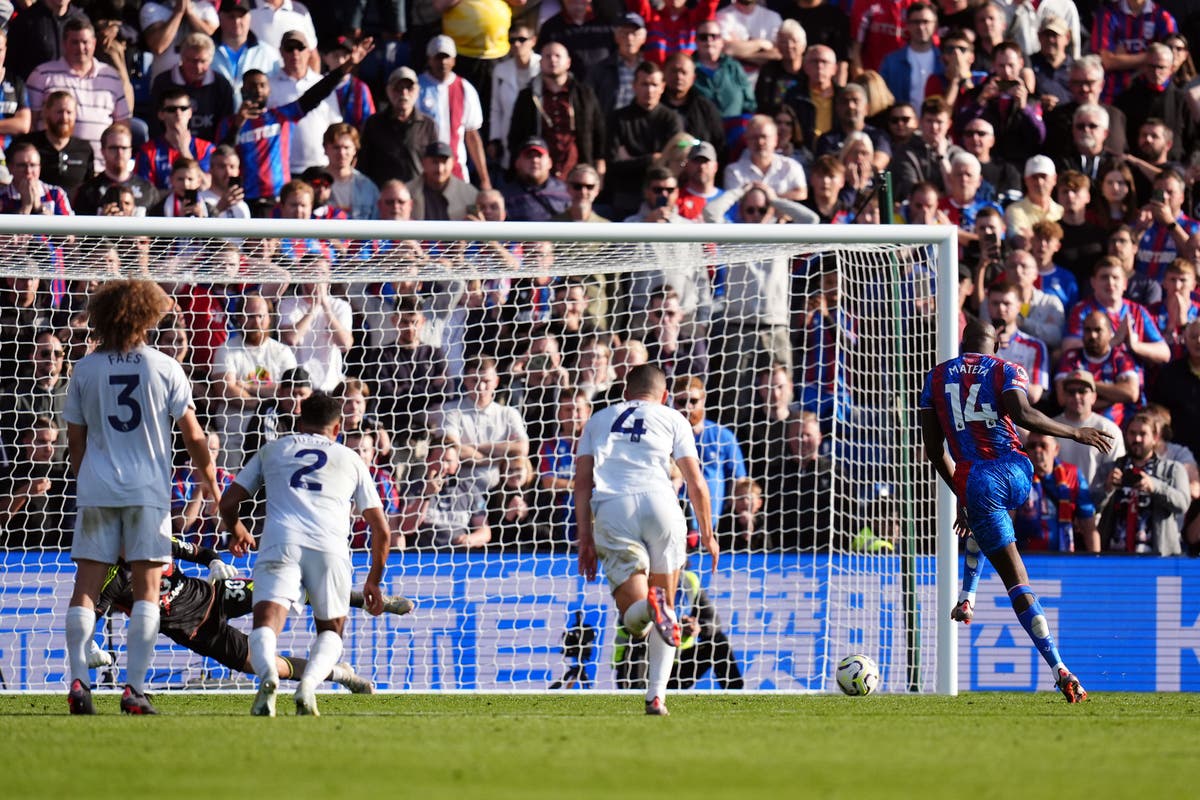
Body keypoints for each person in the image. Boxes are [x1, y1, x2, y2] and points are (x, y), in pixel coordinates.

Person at [920, 319, 1113, 703]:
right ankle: (968, 598)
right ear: (996, 345)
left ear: (963, 344)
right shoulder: (1005, 368)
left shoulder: (936, 378)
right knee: (989, 520)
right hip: (1017, 470)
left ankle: (1059, 668)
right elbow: (1022, 414)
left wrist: (962, 490)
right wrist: (1075, 432)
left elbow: (933, 448)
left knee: (1015, 579)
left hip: (976, 479)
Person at [63, 279, 220, 716]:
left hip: (98, 486)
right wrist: (209, 483)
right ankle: (133, 690)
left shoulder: (85, 368)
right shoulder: (165, 366)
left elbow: (75, 440)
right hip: (147, 491)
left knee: (86, 590)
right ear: (147, 317)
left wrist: (88, 479)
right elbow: (194, 435)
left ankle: (79, 682)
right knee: (148, 592)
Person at [222, 391, 391, 717]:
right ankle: (308, 686)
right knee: (330, 632)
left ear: (299, 421)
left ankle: (268, 677)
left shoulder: (272, 449)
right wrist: (373, 581)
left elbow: (228, 503)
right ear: (338, 427)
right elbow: (381, 530)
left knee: (266, 626)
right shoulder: (351, 458)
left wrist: (236, 529)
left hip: (280, 543)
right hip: (330, 550)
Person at [575, 363, 718, 716]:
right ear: (665, 395)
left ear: (626, 392)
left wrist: (585, 540)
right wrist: (710, 536)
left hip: (614, 507)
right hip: (663, 506)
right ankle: (656, 697)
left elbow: (581, 484)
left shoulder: (597, 419)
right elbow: (696, 483)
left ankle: (651, 606)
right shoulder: (674, 418)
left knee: (634, 618)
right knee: (666, 610)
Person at [88, 538, 413, 693]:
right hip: (197, 633)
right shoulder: (114, 577)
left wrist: (214, 563)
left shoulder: (156, 539)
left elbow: (201, 552)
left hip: (215, 594)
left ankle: (369, 601)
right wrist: (90, 646)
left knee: (282, 590)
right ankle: (341, 675)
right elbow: (94, 613)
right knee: (267, 665)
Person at [1094, 410, 1190, 555]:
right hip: (1115, 556)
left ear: (1155, 438)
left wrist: (1155, 487)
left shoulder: (1173, 469)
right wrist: (1108, 488)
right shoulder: (1110, 468)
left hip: (1158, 557)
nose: (1137, 438)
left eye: (1143, 434)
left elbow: (1182, 504)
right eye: (1132, 433)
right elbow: (1090, 507)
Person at [1014, 431, 1098, 553]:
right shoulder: (1017, 476)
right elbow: (1007, 522)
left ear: (1056, 449)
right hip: (1026, 558)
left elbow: (1089, 527)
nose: (1037, 450)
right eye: (1032, 446)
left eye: (1043, 445)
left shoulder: (1072, 474)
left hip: (1063, 558)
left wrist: (1096, 563)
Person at [359, 66, 437, 186]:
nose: (404, 93)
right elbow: (363, 164)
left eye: (409, 88)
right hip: (383, 197)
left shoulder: (428, 125)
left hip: (417, 196)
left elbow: (434, 163)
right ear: (388, 90)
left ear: (417, 91)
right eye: (398, 88)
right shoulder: (374, 123)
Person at [1054, 369, 1126, 489]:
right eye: (1071, 392)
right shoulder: (1050, 427)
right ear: (1064, 396)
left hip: (1096, 504)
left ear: (1093, 397)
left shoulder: (1109, 430)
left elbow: (1115, 476)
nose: (1076, 396)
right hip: (1056, 502)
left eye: (1082, 391)